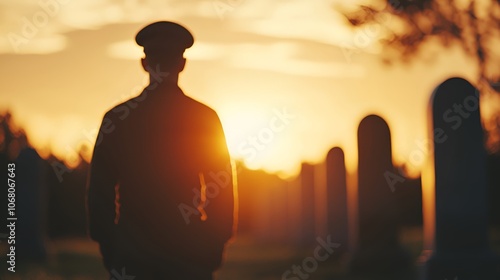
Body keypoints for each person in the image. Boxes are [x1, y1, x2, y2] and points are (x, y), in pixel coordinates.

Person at [86, 21, 235, 280]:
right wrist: (212, 248)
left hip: (133, 255)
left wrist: (111, 249)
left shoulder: (117, 118)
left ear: (144, 63)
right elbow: (220, 190)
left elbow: (100, 191)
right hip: (189, 254)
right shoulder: (204, 118)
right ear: (183, 64)